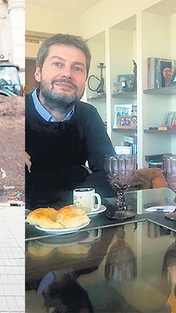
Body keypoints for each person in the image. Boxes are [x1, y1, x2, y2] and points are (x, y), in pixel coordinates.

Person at [25, 33, 115, 210]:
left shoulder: (88, 115)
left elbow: (110, 182)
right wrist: (79, 172)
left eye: (78, 68)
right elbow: (17, 194)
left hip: (81, 227)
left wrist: (36, 181)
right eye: (58, 64)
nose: (67, 74)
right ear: (38, 72)